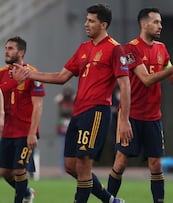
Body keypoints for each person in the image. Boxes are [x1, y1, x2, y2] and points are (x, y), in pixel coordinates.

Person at [15, 4, 131, 203]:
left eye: (91, 21)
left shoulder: (114, 49)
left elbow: (125, 85)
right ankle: (110, 200)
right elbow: (61, 77)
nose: (86, 24)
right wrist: (30, 74)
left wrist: (124, 119)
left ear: (103, 24)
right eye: (86, 20)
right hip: (77, 113)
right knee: (70, 165)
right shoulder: (84, 48)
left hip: (96, 111)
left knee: (84, 163)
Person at [107, 8, 173, 203]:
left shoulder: (162, 48)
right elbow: (146, 79)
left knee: (156, 165)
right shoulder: (129, 49)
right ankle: (110, 200)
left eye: (160, 22)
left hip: (153, 117)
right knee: (120, 163)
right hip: (131, 116)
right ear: (143, 24)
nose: (160, 25)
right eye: (156, 22)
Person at [0, 36, 45, 203]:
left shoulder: (32, 74)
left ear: (21, 52)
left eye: (11, 48)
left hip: (25, 131)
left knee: (20, 170)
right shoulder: (2, 74)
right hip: (7, 132)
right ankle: (27, 192)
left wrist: (33, 133)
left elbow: (38, 106)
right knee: (5, 172)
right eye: (6, 48)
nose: (6, 51)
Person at [54, 86, 74, 170]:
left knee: (72, 148)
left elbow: (72, 111)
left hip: (71, 128)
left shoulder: (73, 103)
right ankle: (62, 167)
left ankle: (71, 166)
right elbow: (57, 100)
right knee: (62, 148)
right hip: (62, 129)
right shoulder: (61, 102)